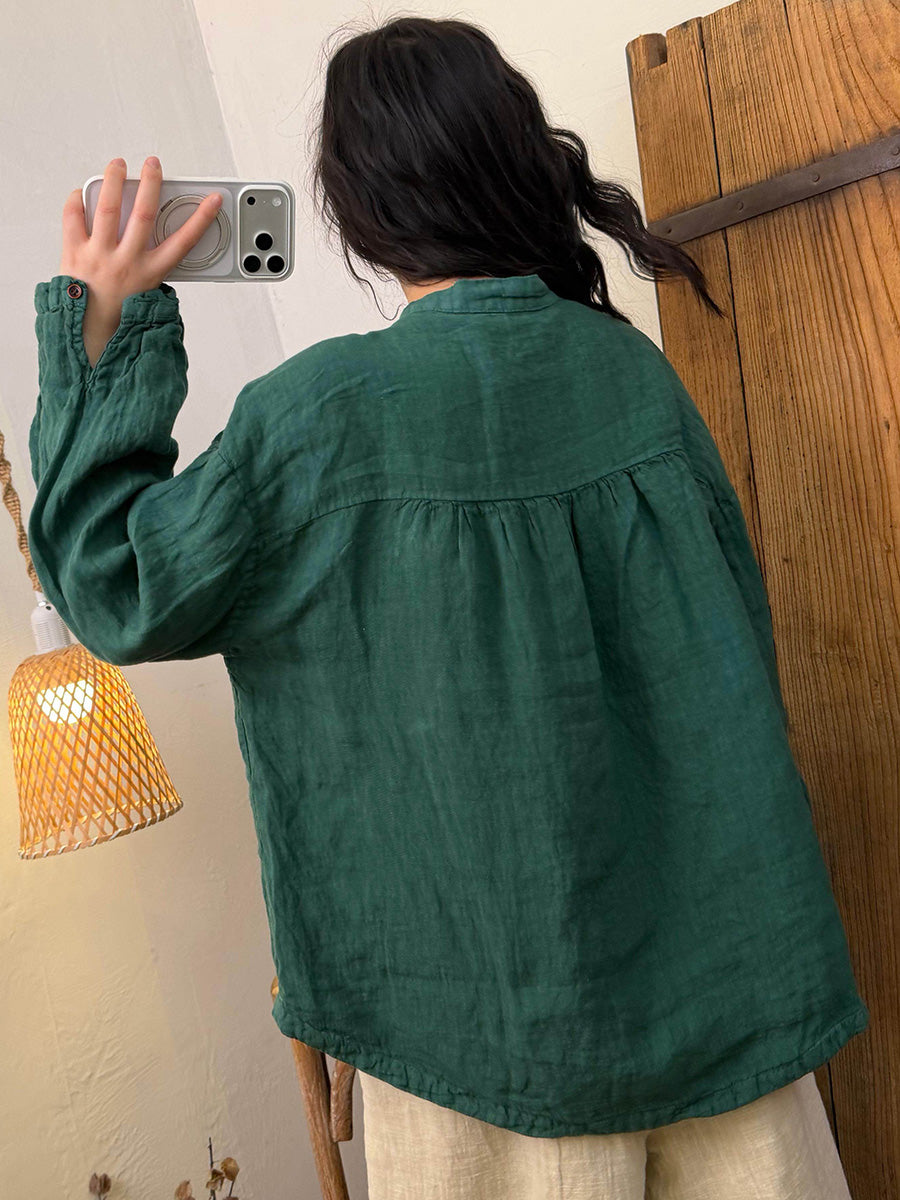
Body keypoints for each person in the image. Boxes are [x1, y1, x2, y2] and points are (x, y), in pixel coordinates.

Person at [29, 13, 867, 1200]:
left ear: (357, 209)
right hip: (724, 1015)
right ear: (514, 165)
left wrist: (108, 329)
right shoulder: (634, 377)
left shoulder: (319, 418)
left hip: (471, 1046)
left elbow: (114, 585)